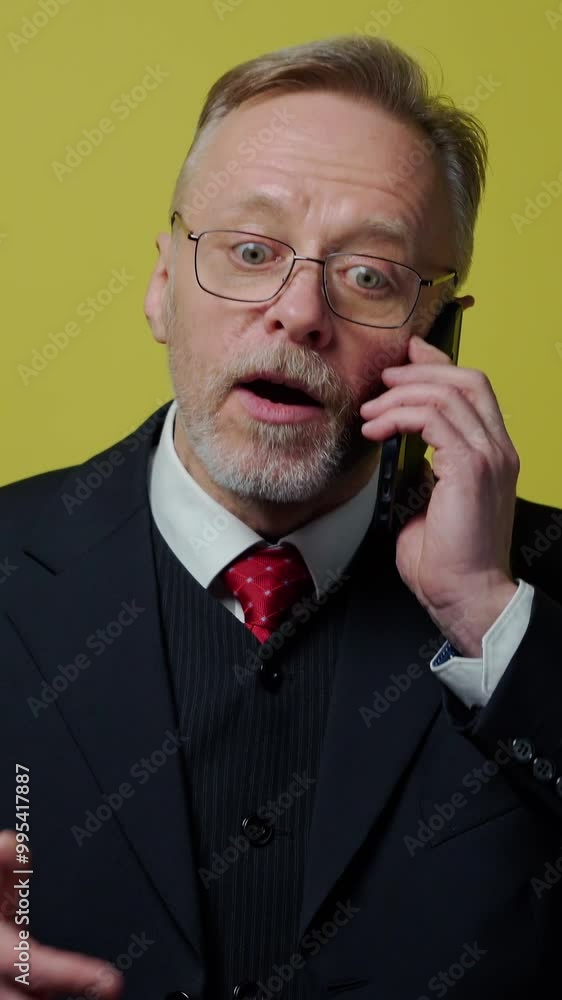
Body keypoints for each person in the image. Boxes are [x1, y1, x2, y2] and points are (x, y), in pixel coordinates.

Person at [1, 32, 561, 1000]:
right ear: (160, 284)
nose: (299, 311)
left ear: (437, 331)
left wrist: (483, 609)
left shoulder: (532, 598)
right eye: (251, 252)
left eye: (370, 275)